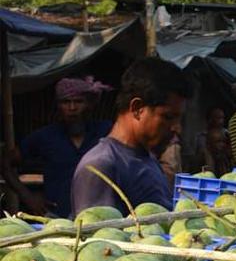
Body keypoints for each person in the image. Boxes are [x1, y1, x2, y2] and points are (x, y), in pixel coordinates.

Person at [71, 58, 192, 215]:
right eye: (168, 117)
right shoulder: (101, 165)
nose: (177, 128)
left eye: (179, 119)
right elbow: (97, 235)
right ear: (137, 108)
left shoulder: (147, 157)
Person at [10, 77, 114, 218]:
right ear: (58, 106)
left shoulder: (106, 131)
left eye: (78, 101)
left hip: (100, 216)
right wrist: (28, 196)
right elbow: (6, 163)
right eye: (66, 102)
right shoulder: (45, 136)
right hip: (57, 217)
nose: (72, 108)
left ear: (89, 105)